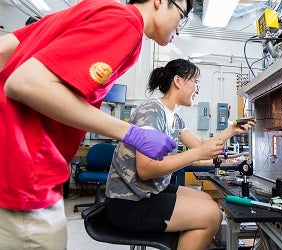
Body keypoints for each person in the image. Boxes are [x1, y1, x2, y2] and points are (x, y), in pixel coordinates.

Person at [0, 0, 193, 249]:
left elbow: (4, 50)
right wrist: (132, 133)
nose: (180, 28)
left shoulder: (90, 9)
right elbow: (24, 83)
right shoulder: (127, 24)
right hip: (25, 172)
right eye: (182, 16)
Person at [105, 59, 255, 250]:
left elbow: (201, 146)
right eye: (196, 82)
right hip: (129, 202)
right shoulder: (152, 111)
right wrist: (197, 153)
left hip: (149, 191)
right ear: (178, 80)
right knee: (211, 215)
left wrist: (231, 130)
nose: (198, 89)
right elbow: (146, 170)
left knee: (207, 200)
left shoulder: (174, 118)